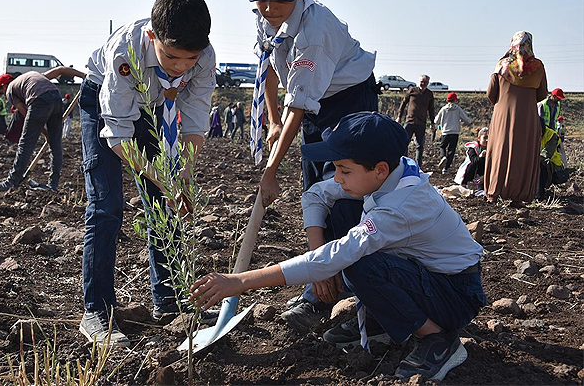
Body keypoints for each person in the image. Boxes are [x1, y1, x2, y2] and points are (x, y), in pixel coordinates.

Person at [190, 112, 486, 382]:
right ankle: (382, 321)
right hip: (428, 277)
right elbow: (316, 193)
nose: (336, 177)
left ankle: (437, 340)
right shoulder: (393, 172)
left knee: (357, 263)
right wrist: (322, 271)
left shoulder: (401, 206)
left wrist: (240, 281)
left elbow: (336, 255)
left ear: (380, 169)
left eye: (344, 169)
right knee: (344, 210)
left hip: (455, 293)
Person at [77, 0, 216, 347]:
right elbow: (119, 134)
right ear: (153, 36)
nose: (181, 66)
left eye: (189, 59)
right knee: (107, 206)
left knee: (164, 206)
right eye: (171, 56)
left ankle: (168, 301)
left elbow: (195, 120)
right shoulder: (126, 50)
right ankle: (96, 311)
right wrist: (162, 176)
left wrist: (181, 172)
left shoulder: (204, 57)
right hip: (105, 110)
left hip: (155, 112)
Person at [246, 0, 378, 333]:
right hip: (315, 104)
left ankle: (356, 294)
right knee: (315, 190)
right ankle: (323, 285)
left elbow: (300, 104)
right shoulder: (267, 15)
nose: (269, 6)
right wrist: (272, 120)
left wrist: (271, 171)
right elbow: (270, 65)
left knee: (346, 193)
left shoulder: (315, 33)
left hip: (349, 103)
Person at [0, 65, 85, 192]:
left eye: (0, 91)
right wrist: (83, 76)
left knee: (26, 142)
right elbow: (59, 70)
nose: (3, 95)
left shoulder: (11, 89)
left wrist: (44, 132)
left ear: (4, 85)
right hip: (56, 97)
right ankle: (53, 185)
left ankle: (12, 181)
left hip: (38, 100)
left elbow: (25, 112)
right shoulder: (33, 75)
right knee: (55, 144)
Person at [485, 31, 548, 204]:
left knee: (500, 150)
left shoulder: (502, 65)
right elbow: (542, 94)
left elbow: (491, 93)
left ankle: (494, 192)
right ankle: (520, 196)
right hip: (527, 118)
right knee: (523, 152)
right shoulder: (538, 67)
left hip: (503, 116)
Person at [397, 75, 435, 168]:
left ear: (428, 83)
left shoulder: (429, 94)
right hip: (409, 121)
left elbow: (431, 109)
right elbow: (403, 103)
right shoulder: (412, 90)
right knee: (404, 142)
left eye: (425, 82)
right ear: (419, 81)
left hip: (421, 123)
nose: (423, 84)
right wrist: (399, 117)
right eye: (422, 81)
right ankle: (403, 163)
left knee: (420, 145)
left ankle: (418, 166)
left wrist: (432, 122)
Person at [434, 92, 472, 174]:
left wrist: (436, 126)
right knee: (451, 150)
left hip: (445, 132)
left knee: (442, 146)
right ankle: (446, 168)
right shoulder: (457, 109)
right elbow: (467, 119)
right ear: (455, 100)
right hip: (455, 132)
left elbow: (436, 121)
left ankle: (443, 156)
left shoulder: (443, 109)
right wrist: (470, 121)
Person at [538, 118, 568, 199]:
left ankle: (539, 195)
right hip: (541, 162)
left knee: (540, 166)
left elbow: (546, 154)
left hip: (554, 166)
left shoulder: (551, 135)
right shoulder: (530, 135)